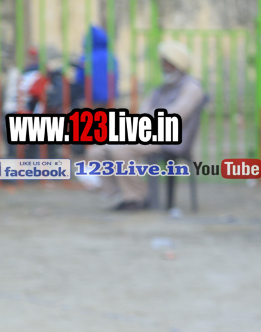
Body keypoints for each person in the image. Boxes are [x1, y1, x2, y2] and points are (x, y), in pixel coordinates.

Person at [80, 41, 207, 210]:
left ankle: (136, 197)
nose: (163, 66)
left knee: (120, 149)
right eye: (163, 62)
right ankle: (123, 193)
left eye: (167, 62)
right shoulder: (161, 88)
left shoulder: (192, 87)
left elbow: (177, 115)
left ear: (177, 64)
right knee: (97, 150)